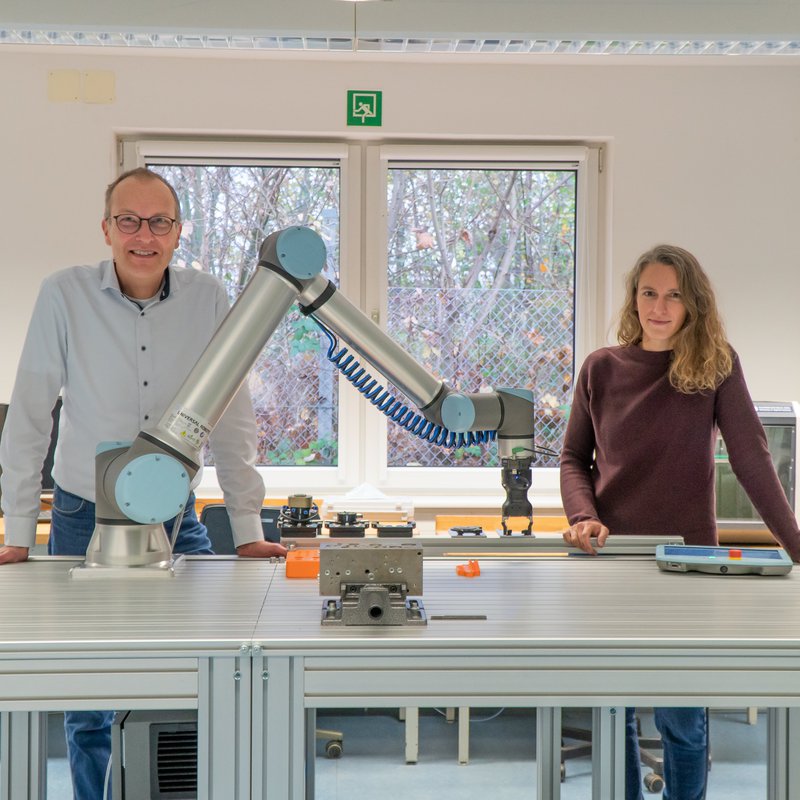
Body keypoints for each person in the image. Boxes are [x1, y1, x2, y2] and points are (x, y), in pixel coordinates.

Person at [0, 167, 287, 799]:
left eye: (159, 222)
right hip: (82, 518)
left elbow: (233, 418)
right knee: (88, 695)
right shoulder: (63, 294)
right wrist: (18, 529)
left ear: (178, 232)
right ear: (106, 229)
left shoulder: (209, 299)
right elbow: (28, 414)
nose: (143, 236)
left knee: (215, 672)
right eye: (128, 220)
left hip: (177, 519)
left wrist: (246, 529)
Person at [559, 244, 800, 800]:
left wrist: (796, 547)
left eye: (673, 295)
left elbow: (752, 458)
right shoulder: (601, 368)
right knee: (612, 714)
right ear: (634, 298)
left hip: (690, 568)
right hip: (612, 562)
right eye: (649, 293)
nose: (659, 307)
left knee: (683, 721)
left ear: (693, 303)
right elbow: (574, 458)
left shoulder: (716, 365)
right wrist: (583, 516)